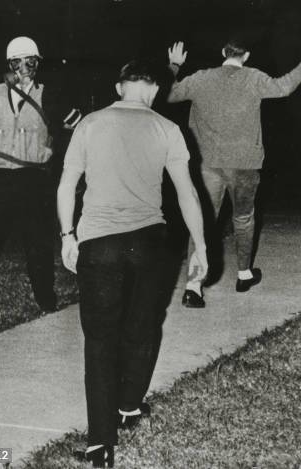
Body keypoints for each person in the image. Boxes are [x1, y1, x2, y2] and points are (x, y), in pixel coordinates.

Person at [57, 59, 207, 468]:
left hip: (99, 244)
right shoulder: (167, 128)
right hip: (148, 244)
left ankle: (99, 442)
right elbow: (187, 195)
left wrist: (67, 235)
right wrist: (203, 249)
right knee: (141, 329)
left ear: (120, 87)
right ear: (154, 91)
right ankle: (128, 406)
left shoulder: (89, 124)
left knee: (100, 340)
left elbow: (68, 183)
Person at [166, 35, 301, 308]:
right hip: (245, 164)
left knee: (202, 222)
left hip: (208, 163)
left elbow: (168, 93)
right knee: (244, 218)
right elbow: (285, 87)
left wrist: (174, 66)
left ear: (223, 52)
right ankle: (244, 274)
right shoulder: (254, 77)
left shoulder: (200, 78)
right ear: (246, 56)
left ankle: (193, 286)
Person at [0, 36, 82, 312]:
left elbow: (80, 125)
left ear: (38, 63)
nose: (24, 67)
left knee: (37, 244)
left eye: (30, 61)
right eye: (17, 61)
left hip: (32, 181)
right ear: (8, 64)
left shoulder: (50, 95)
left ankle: (46, 301)